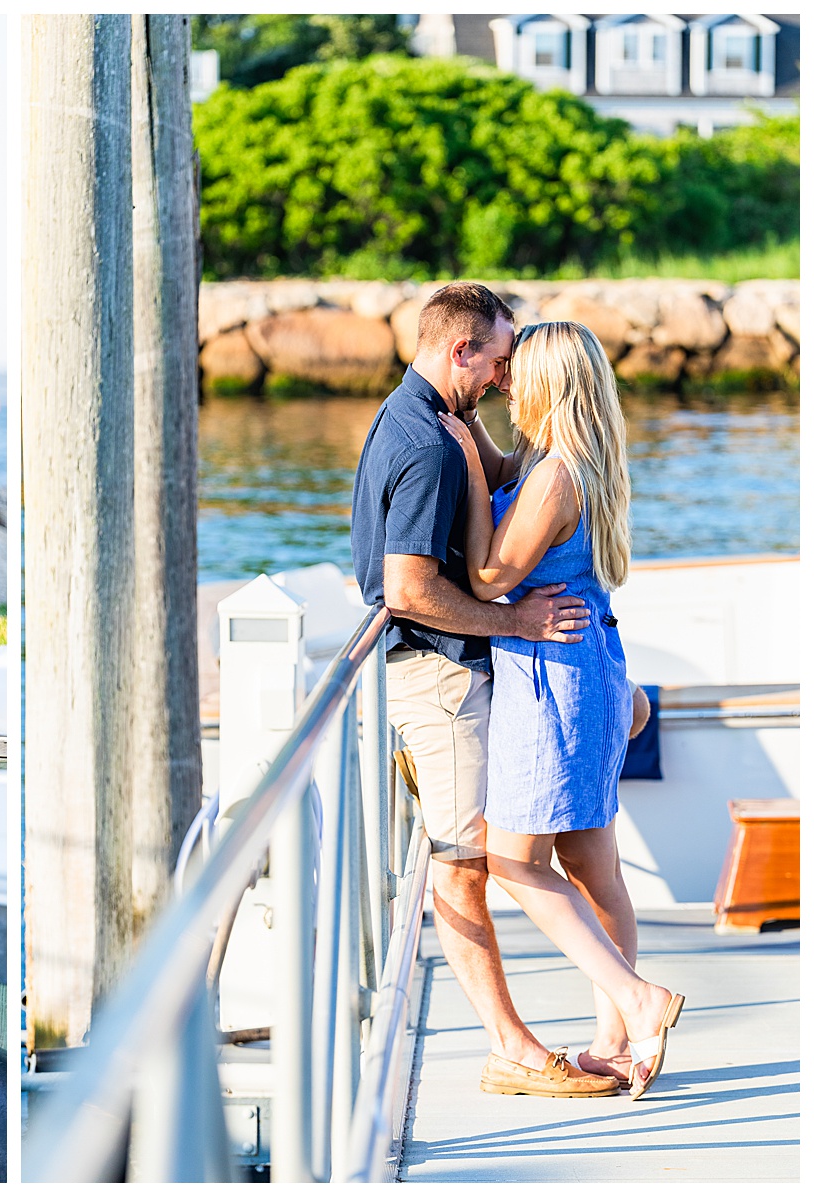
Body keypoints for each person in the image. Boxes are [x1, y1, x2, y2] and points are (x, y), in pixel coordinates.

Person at [349, 282, 616, 1098]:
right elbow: (407, 589)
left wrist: (476, 453)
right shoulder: (432, 443)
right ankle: (517, 1048)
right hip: (440, 678)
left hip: (454, 675)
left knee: (503, 858)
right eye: (499, 361)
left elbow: (496, 492)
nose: (505, 379)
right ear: (460, 350)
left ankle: (586, 1027)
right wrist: (517, 624)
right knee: (468, 866)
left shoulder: (426, 422)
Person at [438, 320, 683, 1100]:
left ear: (547, 384)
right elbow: (512, 492)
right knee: (592, 867)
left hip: (555, 683)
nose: (505, 380)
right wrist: (473, 429)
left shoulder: (553, 479)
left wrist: (471, 473)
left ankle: (641, 1001)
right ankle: (616, 1044)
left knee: (514, 861)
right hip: (588, 671)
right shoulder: (572, 460)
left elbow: (483, 576)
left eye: (518, 372)